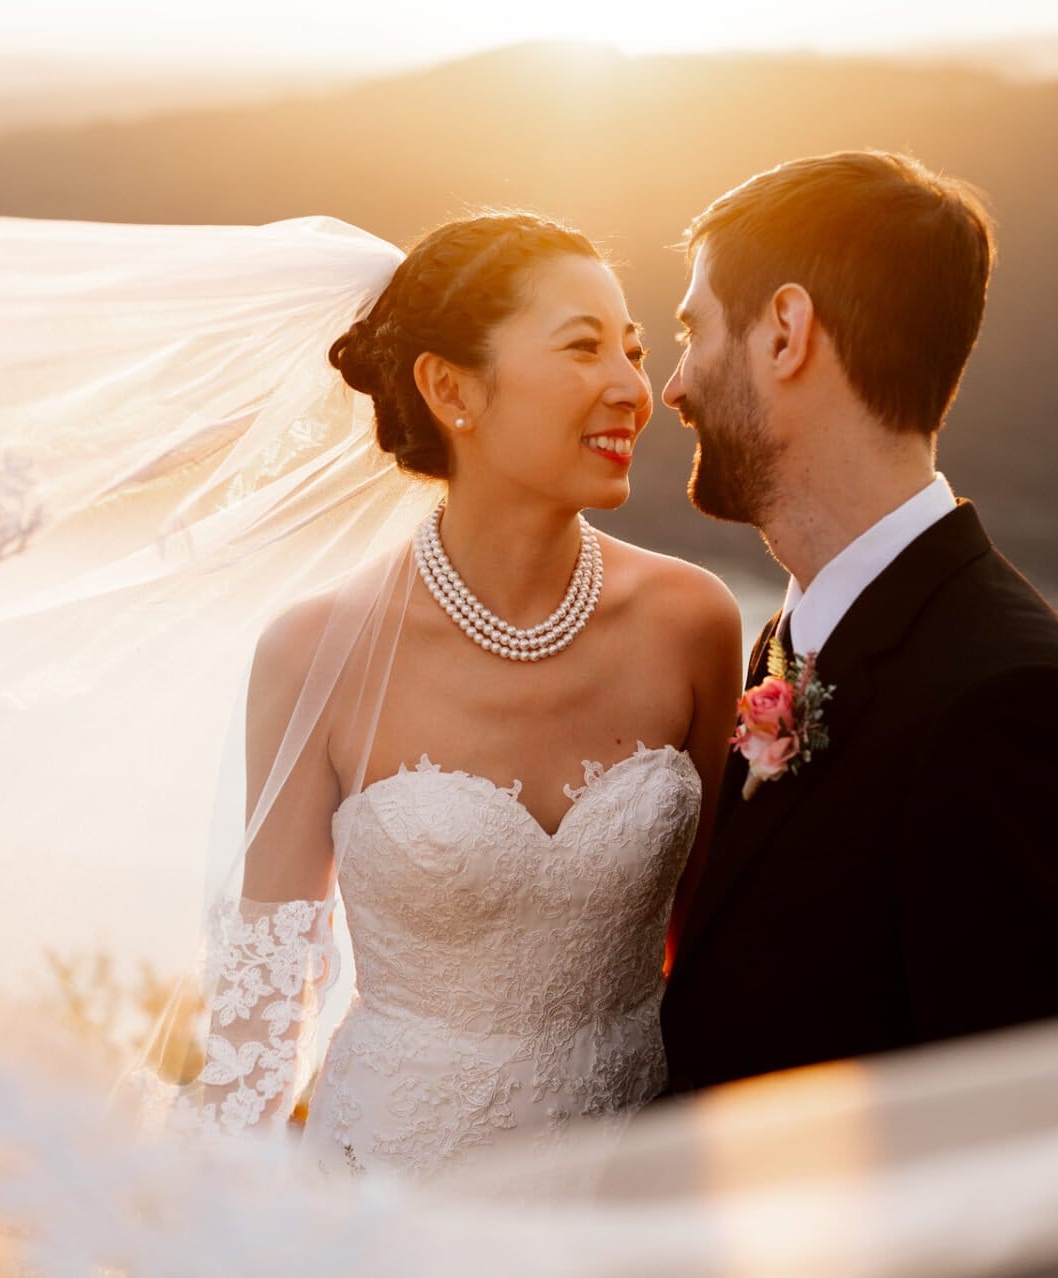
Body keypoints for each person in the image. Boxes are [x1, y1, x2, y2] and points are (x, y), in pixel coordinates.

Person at [191, 213, 743, 1177]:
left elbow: (710, 956)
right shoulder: (315, 653)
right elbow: (262, 1016)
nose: (631, 387)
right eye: (583, 347)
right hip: (385, 1201)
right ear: (451, 389)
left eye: (634, 347)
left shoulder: (693, 624)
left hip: (623, 1203)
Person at [659, 152, 1058, 1091]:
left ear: (785, 333)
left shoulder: (1012, 707)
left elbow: (1042, 1172)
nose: (673, 388)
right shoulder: (786, 644)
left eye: (693, 331)